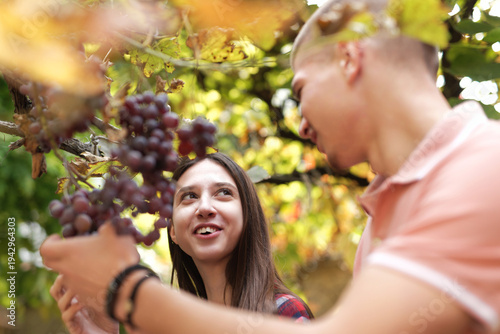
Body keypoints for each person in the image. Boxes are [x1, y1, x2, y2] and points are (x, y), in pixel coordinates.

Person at [41, 0, 500, 333]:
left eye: (301, 90)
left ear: (349, 58)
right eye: (188, 196)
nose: (300, 123)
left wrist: (128, 290)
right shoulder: (385, 220)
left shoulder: (481, 166)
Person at [49, 153, 312, 334]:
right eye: (188, 197)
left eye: (223, 193)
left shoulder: (285, 314)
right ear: (172, 230)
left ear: (248, 216)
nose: (205, 207)